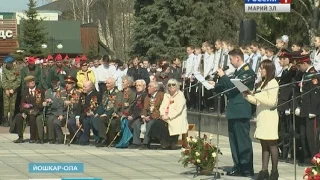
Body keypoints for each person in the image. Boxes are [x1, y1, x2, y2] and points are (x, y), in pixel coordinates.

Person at [209, 49, 255, 177]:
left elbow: (235, 88)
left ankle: (246, 168)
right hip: (234, 110)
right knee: (234, 141)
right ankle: (238, 165)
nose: (230, 62)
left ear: (237, 58)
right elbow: (228, 86)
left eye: (231, 59)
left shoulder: (247, 72)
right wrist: (216, 85)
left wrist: (223, 76)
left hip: (241, 110)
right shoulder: (237, 72)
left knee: (242, 141)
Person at [243, 60, 280, 180]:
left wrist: (255, 95)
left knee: (271, 144)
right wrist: (248, 96)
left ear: (268, 70)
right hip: (262, 116)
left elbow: (271, 101)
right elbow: (258, 101)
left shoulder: (273, 82)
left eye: (262, 68)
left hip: (269, 116)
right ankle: (264, 170)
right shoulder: (263, 83)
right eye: (260, 68)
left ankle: (274, 171)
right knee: (264, 144)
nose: (260, 70)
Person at [149, 79, 188, 149]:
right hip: (165, 116)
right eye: (169, 85)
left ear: (177, 86)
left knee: (168, 125)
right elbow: (162, 107)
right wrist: (163, 115)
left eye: (173, 85)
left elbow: (178, 110)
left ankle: (169, 143)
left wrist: (169, 116)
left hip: (176, 117)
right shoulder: (166, 95)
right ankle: (164, 143)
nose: (171, 86)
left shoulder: (180, 95)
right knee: (157, 123)